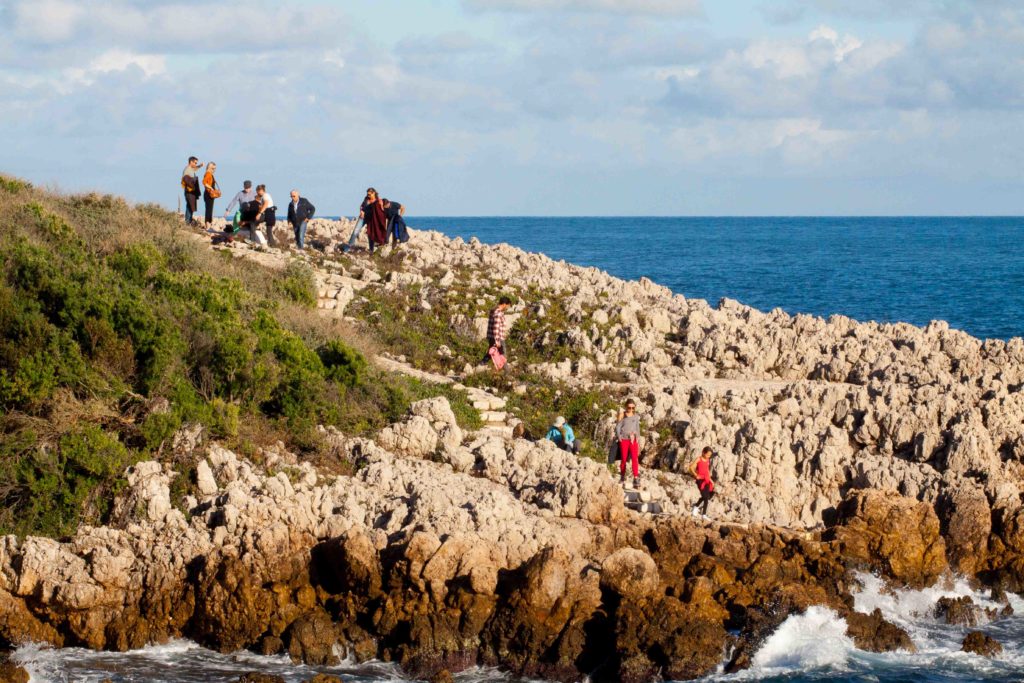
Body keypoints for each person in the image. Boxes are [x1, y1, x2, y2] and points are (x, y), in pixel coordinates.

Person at [616, 399, 640, 488]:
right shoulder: (623, 415)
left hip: (633, 440)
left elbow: (638, 429)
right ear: (626, 407)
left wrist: (638, 439)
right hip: (624, 440)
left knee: (635, 459)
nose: (631, 409)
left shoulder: (636, 417)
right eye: (629, 407)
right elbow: (618, 427)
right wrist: (619, 437)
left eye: (633, 408)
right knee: (623, 459)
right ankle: (622, 477)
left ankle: (636, 478)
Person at [483, 295, 512, 369]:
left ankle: (481, 364)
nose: (508, 308)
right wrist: (497, 341)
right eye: (508, 306)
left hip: (492, 337)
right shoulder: (498, 313)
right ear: (504, 304)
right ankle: (507, 373)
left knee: (490, 353)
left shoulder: (493, 311)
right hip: (497, 338)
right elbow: (496, 328)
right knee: (503, 354)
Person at [689, 447, 715, 518]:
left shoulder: (708, 460)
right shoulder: (699, 459)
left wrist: (711, 480)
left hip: (706, 479)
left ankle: (696, 506)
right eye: (707, 455)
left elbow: (707, 471)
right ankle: (703, 514)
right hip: (700, 480)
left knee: (709, 495)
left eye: (709, 455)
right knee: (705, 497)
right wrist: (696, 475)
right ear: (703, 452)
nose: (708, 456)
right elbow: (691, 467)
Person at [181, 156, 202, 226]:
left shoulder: (191, 169)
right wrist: (193, 182)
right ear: (191, 162)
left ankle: (189, 221)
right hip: (189, 191)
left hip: (191, 192)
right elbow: (186, 179)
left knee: (191, 206)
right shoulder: (187, 170)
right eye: (195, 163)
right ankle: (187, 222)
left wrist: (200, 166)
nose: (196, 164)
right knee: (189, 206)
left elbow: (195, 169)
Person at [202, 162, 220, 226]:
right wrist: (211, 188)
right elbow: (203, 182)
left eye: (215, 168)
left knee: (210, 209)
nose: (214, 170)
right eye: (213, 168)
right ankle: (207, 224)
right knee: (208, 209)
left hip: (210, 194)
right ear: (209, 168)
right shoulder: (208, 174)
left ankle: (209, 223)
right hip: (208, 194)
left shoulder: (210, 174)